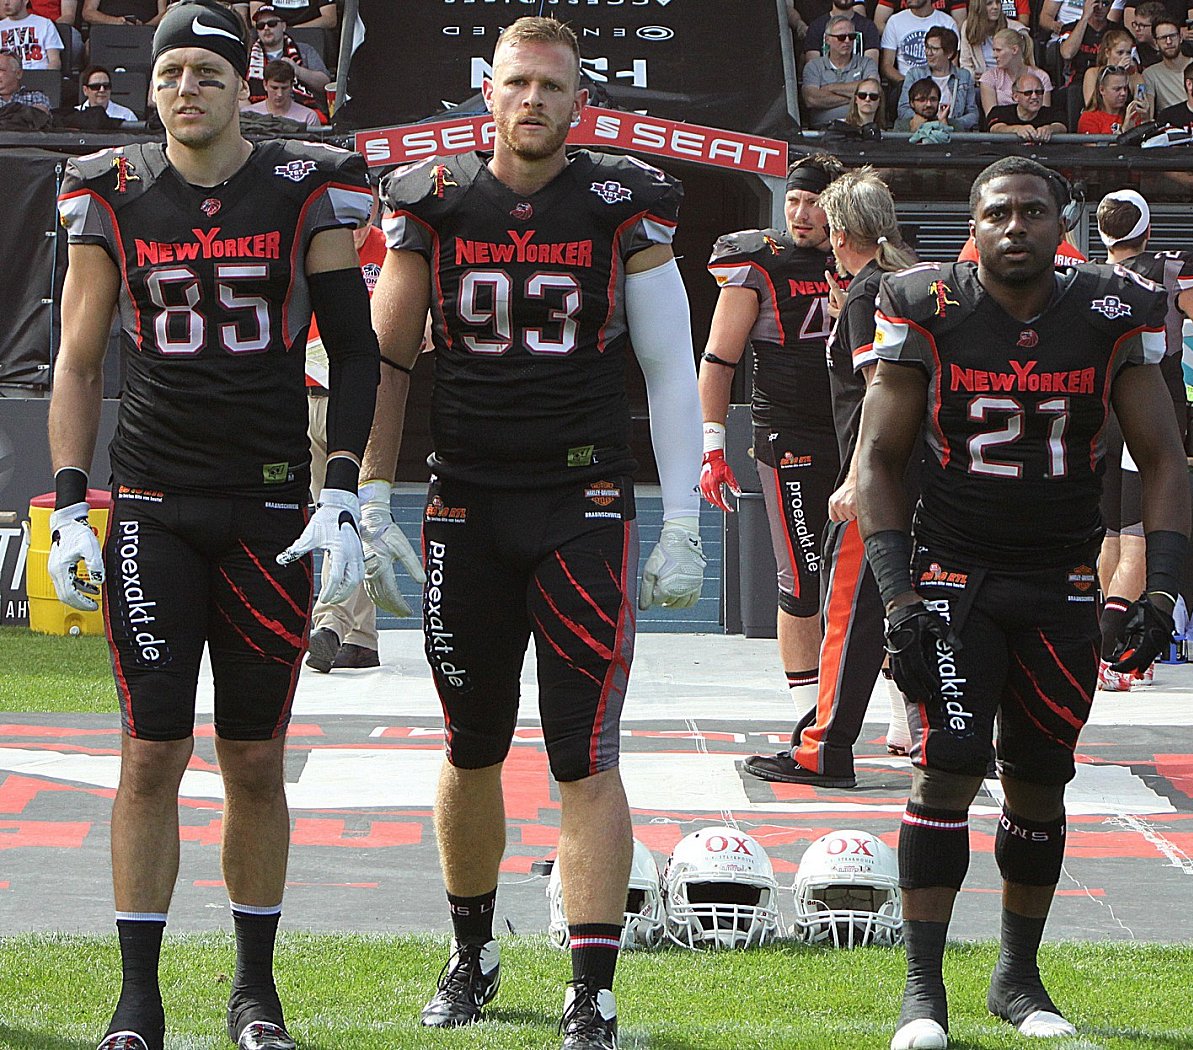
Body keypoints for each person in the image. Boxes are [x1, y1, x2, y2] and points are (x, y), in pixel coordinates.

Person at [361, 16, 705, 1048]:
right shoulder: (434, 197)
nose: (533, 101)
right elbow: (386, 361)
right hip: (464, 501)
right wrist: (368, 494)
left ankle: (591, 990)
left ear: (579, 103)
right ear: (488, 92)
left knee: (584, 750)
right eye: (517, 83)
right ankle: (471, 954)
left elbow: (669, 370)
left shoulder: (621, 201)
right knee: (469, 745)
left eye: (552, 87)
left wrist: (681, 518)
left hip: (581, 501)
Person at [46, 4, 378, 1049]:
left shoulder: (302, 185)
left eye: (207, 72)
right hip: (152, 503)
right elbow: (78, 360)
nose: (186, 88)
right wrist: (70, 502)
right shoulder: (112, 188)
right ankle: (136, 999)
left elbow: (355, 349)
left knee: (254, 758)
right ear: (149, 86)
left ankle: (254, 992)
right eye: (170, 72)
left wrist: (342, 488)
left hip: (268, 506)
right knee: (149, 753)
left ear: (244, 86)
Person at [857, 156, 1186, 1050]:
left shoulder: (1113, 309)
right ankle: (922, 989)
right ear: (972, 226)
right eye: (998, 212)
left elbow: (1162, 457)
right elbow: (877, 460)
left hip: (1061, 579)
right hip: (954, 576)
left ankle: (1016, 977)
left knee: (1042, 776)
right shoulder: (926, 305)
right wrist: (897, 597)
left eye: (1033, 211)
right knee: (950, 763)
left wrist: (1159, 588)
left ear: (1061, 223)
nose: (1016, 226)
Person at [742, 167, 921, 789]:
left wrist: (858, 476)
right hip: (926, 479)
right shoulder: (907, 282)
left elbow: (879, 391)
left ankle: (822, 746)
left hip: (878, 481)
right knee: (913, 609)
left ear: (840, 233)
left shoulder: (871, 292)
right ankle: (940, 736)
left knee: (845, 609)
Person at [700, 154, 846, 724]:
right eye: (794, 201)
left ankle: (897, 714)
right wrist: (713, 446)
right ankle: (808, 718)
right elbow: (718, 360)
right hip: (790, 436)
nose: (801, 213)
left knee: (877, 576)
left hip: (858, 433)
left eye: (814, 202)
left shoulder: (860, 256)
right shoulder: (760, 260)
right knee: (803, 578)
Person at [1094, 191, 1193, 691]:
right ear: (1147, 230)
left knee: (1113, 535)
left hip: (1102, 412)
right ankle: (1113, 652)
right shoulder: (1170, 269)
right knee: (1139, 539)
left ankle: (1107, 646)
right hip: (1150, 408)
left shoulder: (1092, 278)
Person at [302, 196, 390, 674]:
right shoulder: (315, 243)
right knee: (326, 515)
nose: (353, 231)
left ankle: (332, 623)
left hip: (358, 401)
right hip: (306, 392)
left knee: (346, 516)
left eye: (360, 222)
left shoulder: (388, 251)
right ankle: (359, 637)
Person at [246, 5, 328, 117]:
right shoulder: (248, 56)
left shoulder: (304, 50)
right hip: (259, 119)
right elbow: (238, 90)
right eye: (260, 26)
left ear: (283, 26)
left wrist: (298, 70)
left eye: (272, 24)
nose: (266, 28)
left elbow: (325, 84)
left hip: (301, 114)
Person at [896, 25, 980, 130]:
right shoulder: (915, 74)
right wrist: (929, 123)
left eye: (934, 49)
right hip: (920, 131)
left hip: (953, 135)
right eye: (927, 47)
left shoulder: (964, 76)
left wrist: (950, 125)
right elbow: (903, 109)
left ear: (949, 53)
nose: (928, 53)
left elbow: (973, 114)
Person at [805, 13, 882, 126]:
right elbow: (811, 99)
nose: (847, 41)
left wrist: (831, 88)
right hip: (823, 129)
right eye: (841, 37)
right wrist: (857, 97)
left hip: (859, 128)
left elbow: (873, 89)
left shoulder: (867, 63)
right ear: (827, 39)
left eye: (852, 37)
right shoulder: (813, 66)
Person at [882, 0, 959, 93]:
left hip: (941, 87)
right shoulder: (895, 21)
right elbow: (887, 65)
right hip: (906, 86)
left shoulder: (947, 22)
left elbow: (953, 65)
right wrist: (909, 83)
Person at [978, 27, 1048, 115]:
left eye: (998, 50)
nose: (994, 55)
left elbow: (1045, 114)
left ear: (1014, 50)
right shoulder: (989, 78)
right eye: (994, 50)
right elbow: (991, 116)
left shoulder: (1041, 77)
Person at [986, 69, 1070, 138]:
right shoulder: (999, 112)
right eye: (1028, 93)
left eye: (1038, 92)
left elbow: (1061, 126)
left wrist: (1049, 129)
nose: (1034, 96)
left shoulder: (1054, 112)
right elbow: (995, 128)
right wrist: (1016, 129)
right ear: (1015, 96)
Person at [242, 58, 325, 126]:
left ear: (292, 86)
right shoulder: (248, 114)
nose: (279, 94)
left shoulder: (308, 117)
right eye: (274, 88)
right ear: (265, 85)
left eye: (284, 88)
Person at [1080, 27, 1143, 114]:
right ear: (1107, 53)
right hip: (1100, 119)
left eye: (1128, 53)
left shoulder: (1135, 77)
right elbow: (1091, 106)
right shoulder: (1092, 73)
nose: (1125, 57)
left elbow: (1142, 108)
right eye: (1120, 53)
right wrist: (1117, 71)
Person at [1057, 0, 1112, 97]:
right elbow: (1067, 53)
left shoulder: (1118, 30)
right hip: (1078, 82)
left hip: (1110, 81)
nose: (1100, 7)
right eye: (1095, 2)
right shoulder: (1070, 28)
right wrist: (1085, 17)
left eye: (1105, 3)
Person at [804, 0, 883, 64]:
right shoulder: (816, 27)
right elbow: (812, 70)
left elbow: (871, 69)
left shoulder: (868, 27)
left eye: (851, 37)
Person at [1076, 63, 1150, 131]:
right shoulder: (1089, 118)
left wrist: (1145, 120)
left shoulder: (1133, 115)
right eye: (1117, 89)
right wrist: (1124, 131)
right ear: (1102, 90)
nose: (1123, 93)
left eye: (1125, 88)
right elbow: (1093, 142)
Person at [1143, 18, 1193, 111]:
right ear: (1156, 43)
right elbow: (1148, 112)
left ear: (1180, 37)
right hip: (1168, 118)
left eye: (1172, 36)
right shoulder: (1150, 74)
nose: (1169, 42)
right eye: (1163, 38)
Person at [959, 0, 1026, 72]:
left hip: (1008, 76)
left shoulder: (1017, 30)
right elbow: (965, 63)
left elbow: (1023, 66)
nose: (995, 7)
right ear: (978, 7)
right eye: (989, 3)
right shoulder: (968, 27)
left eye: (998, 2)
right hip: (978, 77)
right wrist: (973, 75)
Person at [0, 0, 62, 69]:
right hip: (7, 75)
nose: (6, 2)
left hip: (39, 74)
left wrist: (48, 75)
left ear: (25, 1)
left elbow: (54, 61)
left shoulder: (45, 24)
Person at [247, 0, 334, 29]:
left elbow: (330, 19)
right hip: (274, 30)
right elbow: (255, 20)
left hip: (310, 33)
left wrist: (297, 29)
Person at [83, 0, 163, 25]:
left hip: (145, 34)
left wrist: (144, 27)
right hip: (107, 30)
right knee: (89, 48)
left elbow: (163, 14)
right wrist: (116, 21)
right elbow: (88, 12)